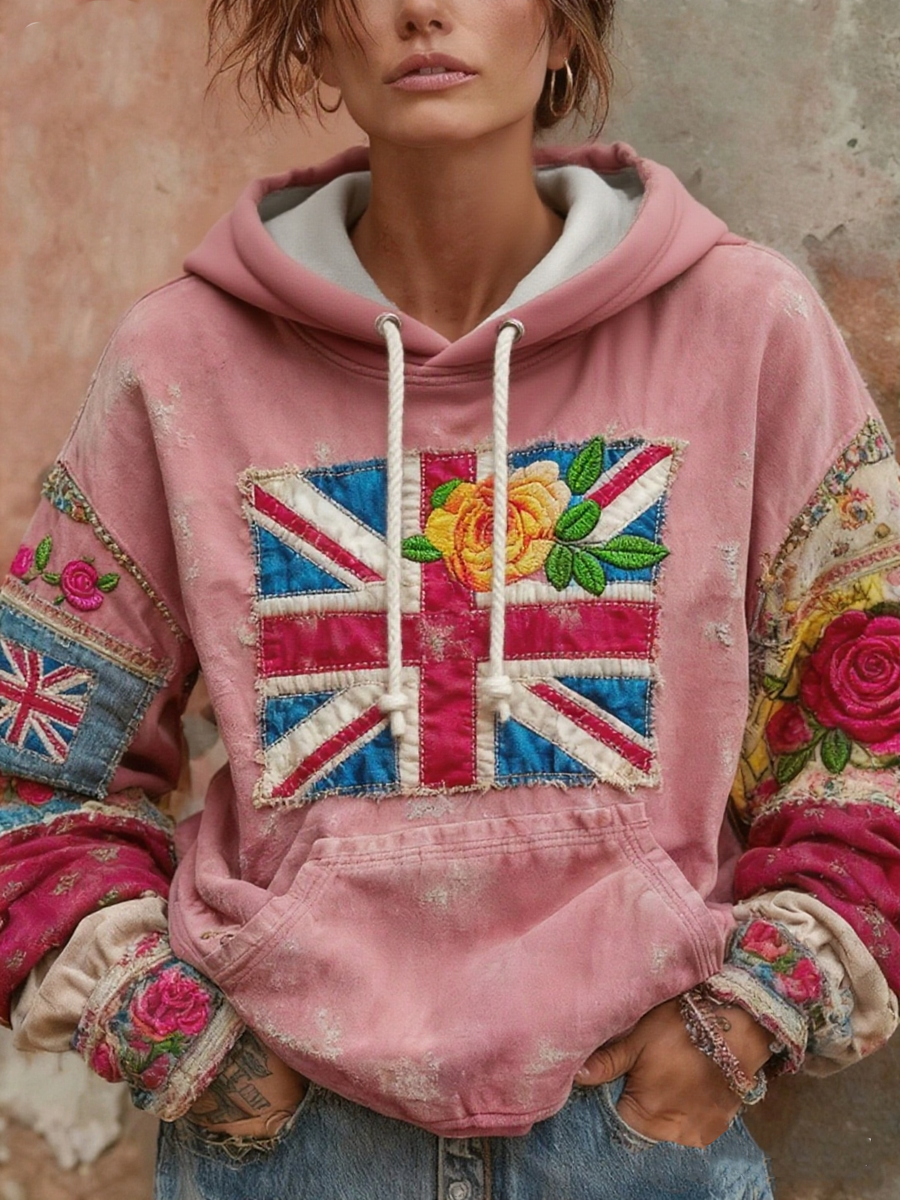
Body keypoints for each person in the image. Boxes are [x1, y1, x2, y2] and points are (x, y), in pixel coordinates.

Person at [2, 1, 899, 1197]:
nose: (424, 8)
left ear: (566, 28)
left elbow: (873, 719)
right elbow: (34, 761)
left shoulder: (745, 330)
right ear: (315, 39)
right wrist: (189, 1047)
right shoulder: (180, 364)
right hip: (290, 1149)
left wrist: (744, 1021)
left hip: (635, 1143)